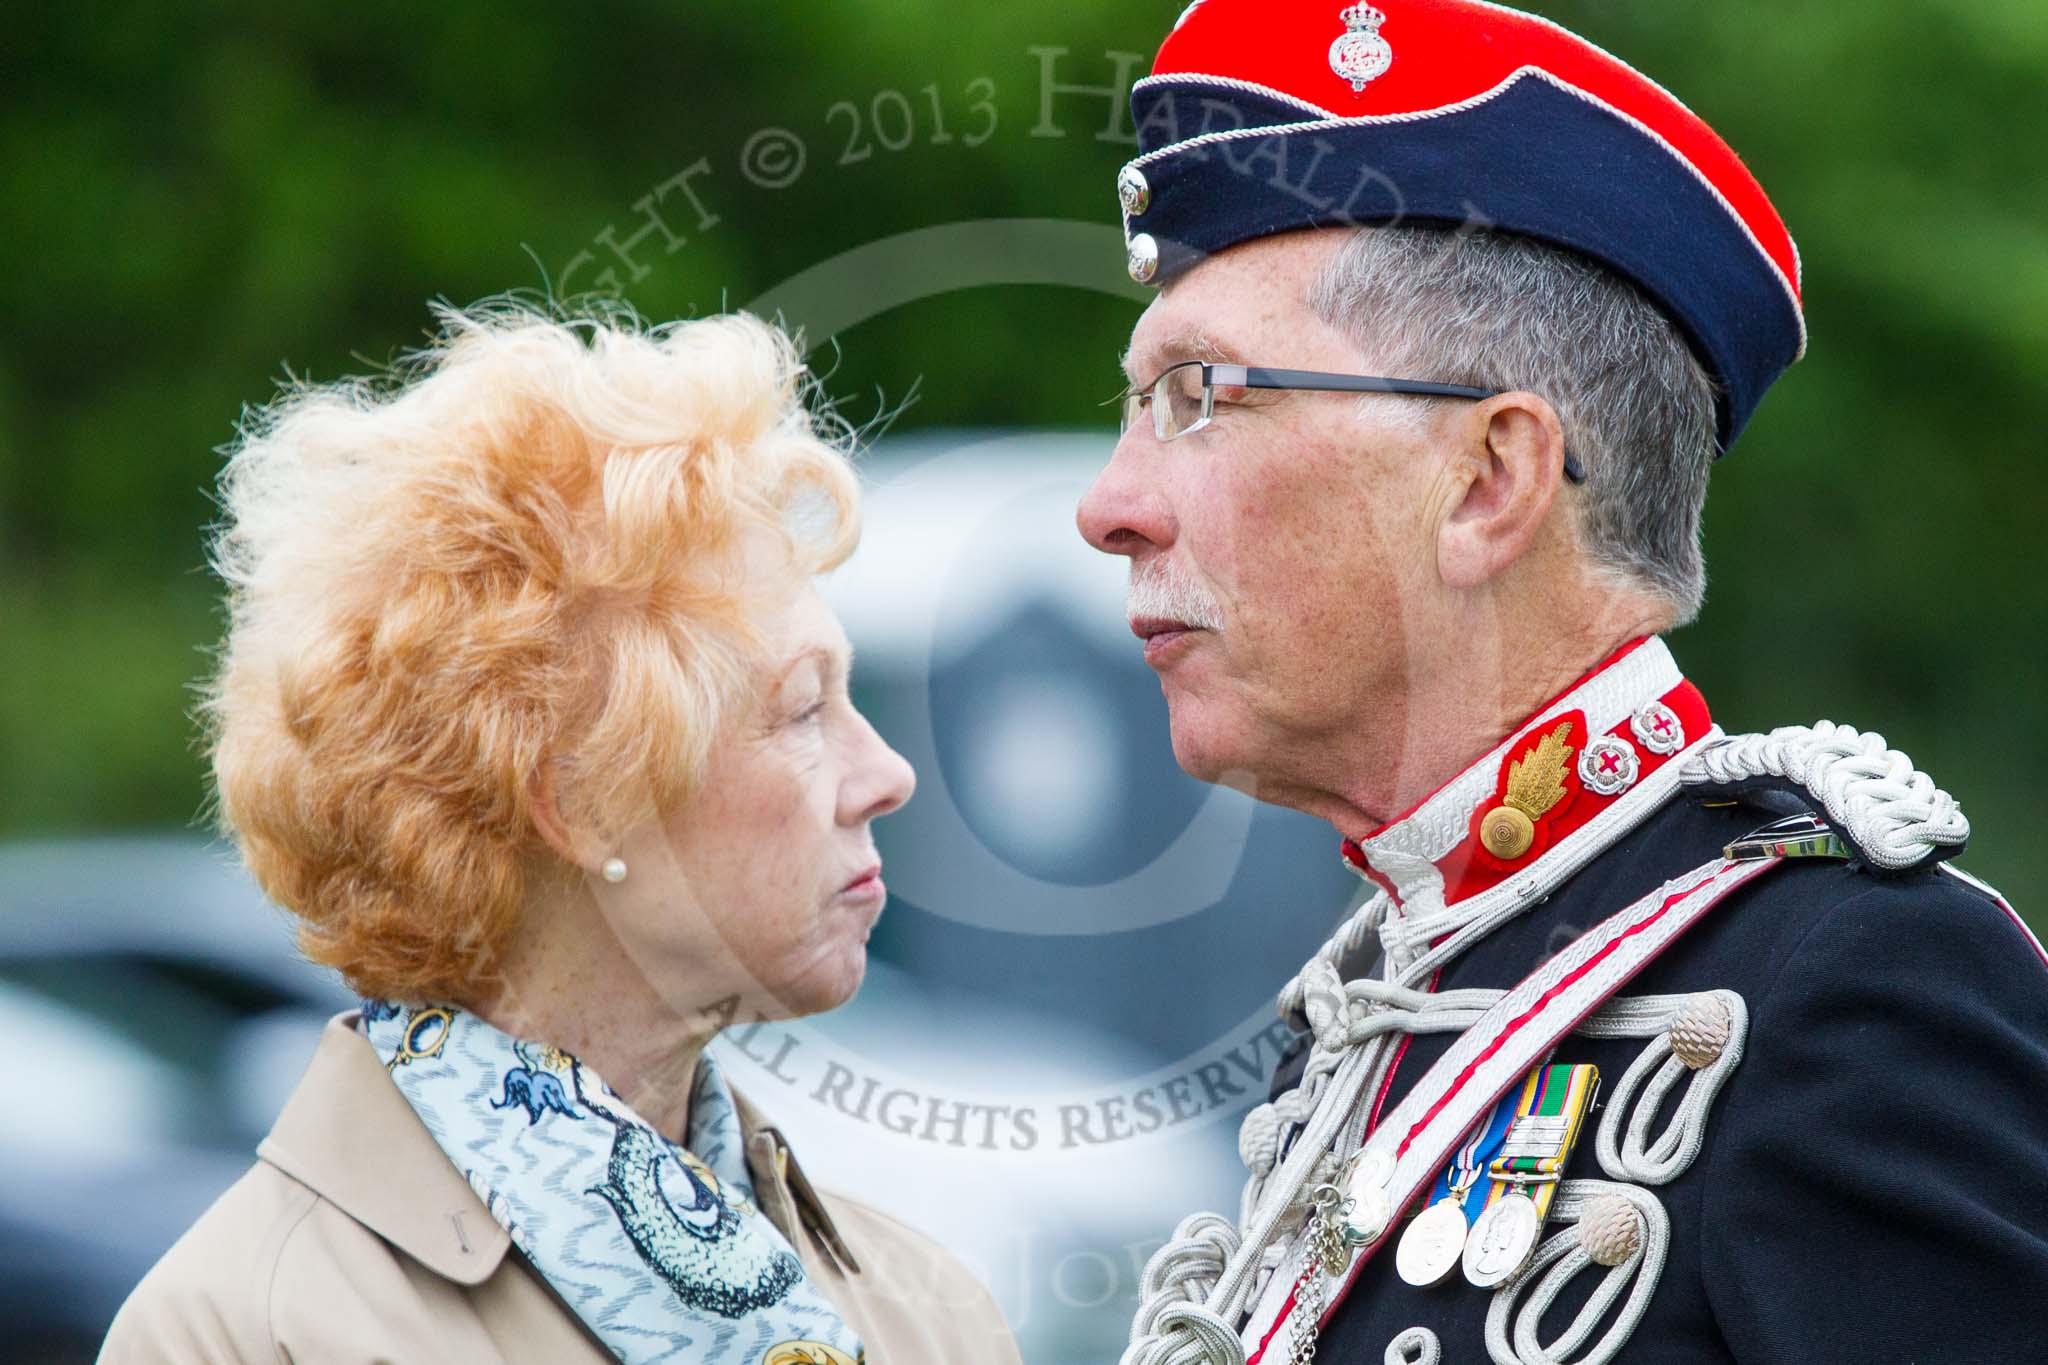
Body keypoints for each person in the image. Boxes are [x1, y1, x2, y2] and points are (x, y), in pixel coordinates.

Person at [1079, 3, 2048, 1363]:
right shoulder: (1377, 1016)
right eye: (1133, 406)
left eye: (1199, 392)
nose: (1111, 504)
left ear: (1488, 481)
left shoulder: (1849, 985)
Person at [100, 302, 1021, 1364]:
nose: (887, 774)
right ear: (580, 800)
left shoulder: (924, 1309)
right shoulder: (243, 1334)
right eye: (803, 710)